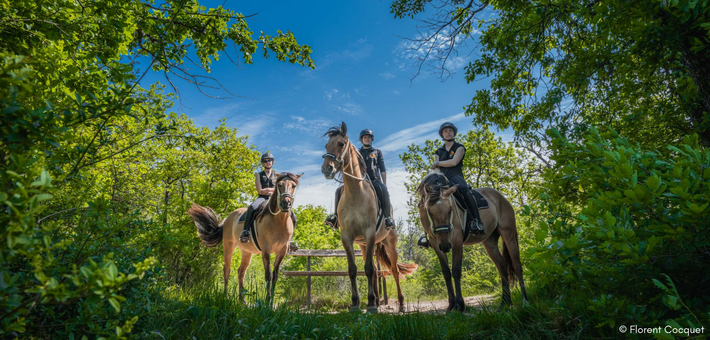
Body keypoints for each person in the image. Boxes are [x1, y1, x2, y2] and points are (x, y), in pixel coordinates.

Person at [418, 122, 485, 248]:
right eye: (445, 131)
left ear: (454, 133)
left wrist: (438, 163)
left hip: (456, 176)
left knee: (465, 190)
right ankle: (426, 234)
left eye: (450, 131)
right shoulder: (438, 151)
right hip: (442, 179)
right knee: (424, 199)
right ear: (442, 134)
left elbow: (454, 162)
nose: (448, 132)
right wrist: (437, 174)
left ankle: (477, 221)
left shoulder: (459, 147)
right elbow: (436, 169)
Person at [324, 129, 396, 230]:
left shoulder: (377, 152)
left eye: (369, 137)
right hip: (360, 180)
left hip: (374, 180)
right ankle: (335, 217)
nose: (367, 139)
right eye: (365, 137)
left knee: (383, 189)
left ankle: (388, 218)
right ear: (361, 140)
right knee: (338, 190)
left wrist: (384, 183)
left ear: (372, 139)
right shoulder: (357, 152)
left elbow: (383, 170)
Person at [239, 152, 298, 247]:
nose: (268, 162)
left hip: (275, 198)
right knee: (252, 207)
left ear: (272, 162)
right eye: (266, 161)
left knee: (292, 214)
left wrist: (268, 190)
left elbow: (279, 188)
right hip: (262, 198)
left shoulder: (277, 175)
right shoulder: (259, 174)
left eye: (269, 160)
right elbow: (260, 190)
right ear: (263, 163)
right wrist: (270, 190)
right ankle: (245, 232)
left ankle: (290, 239)